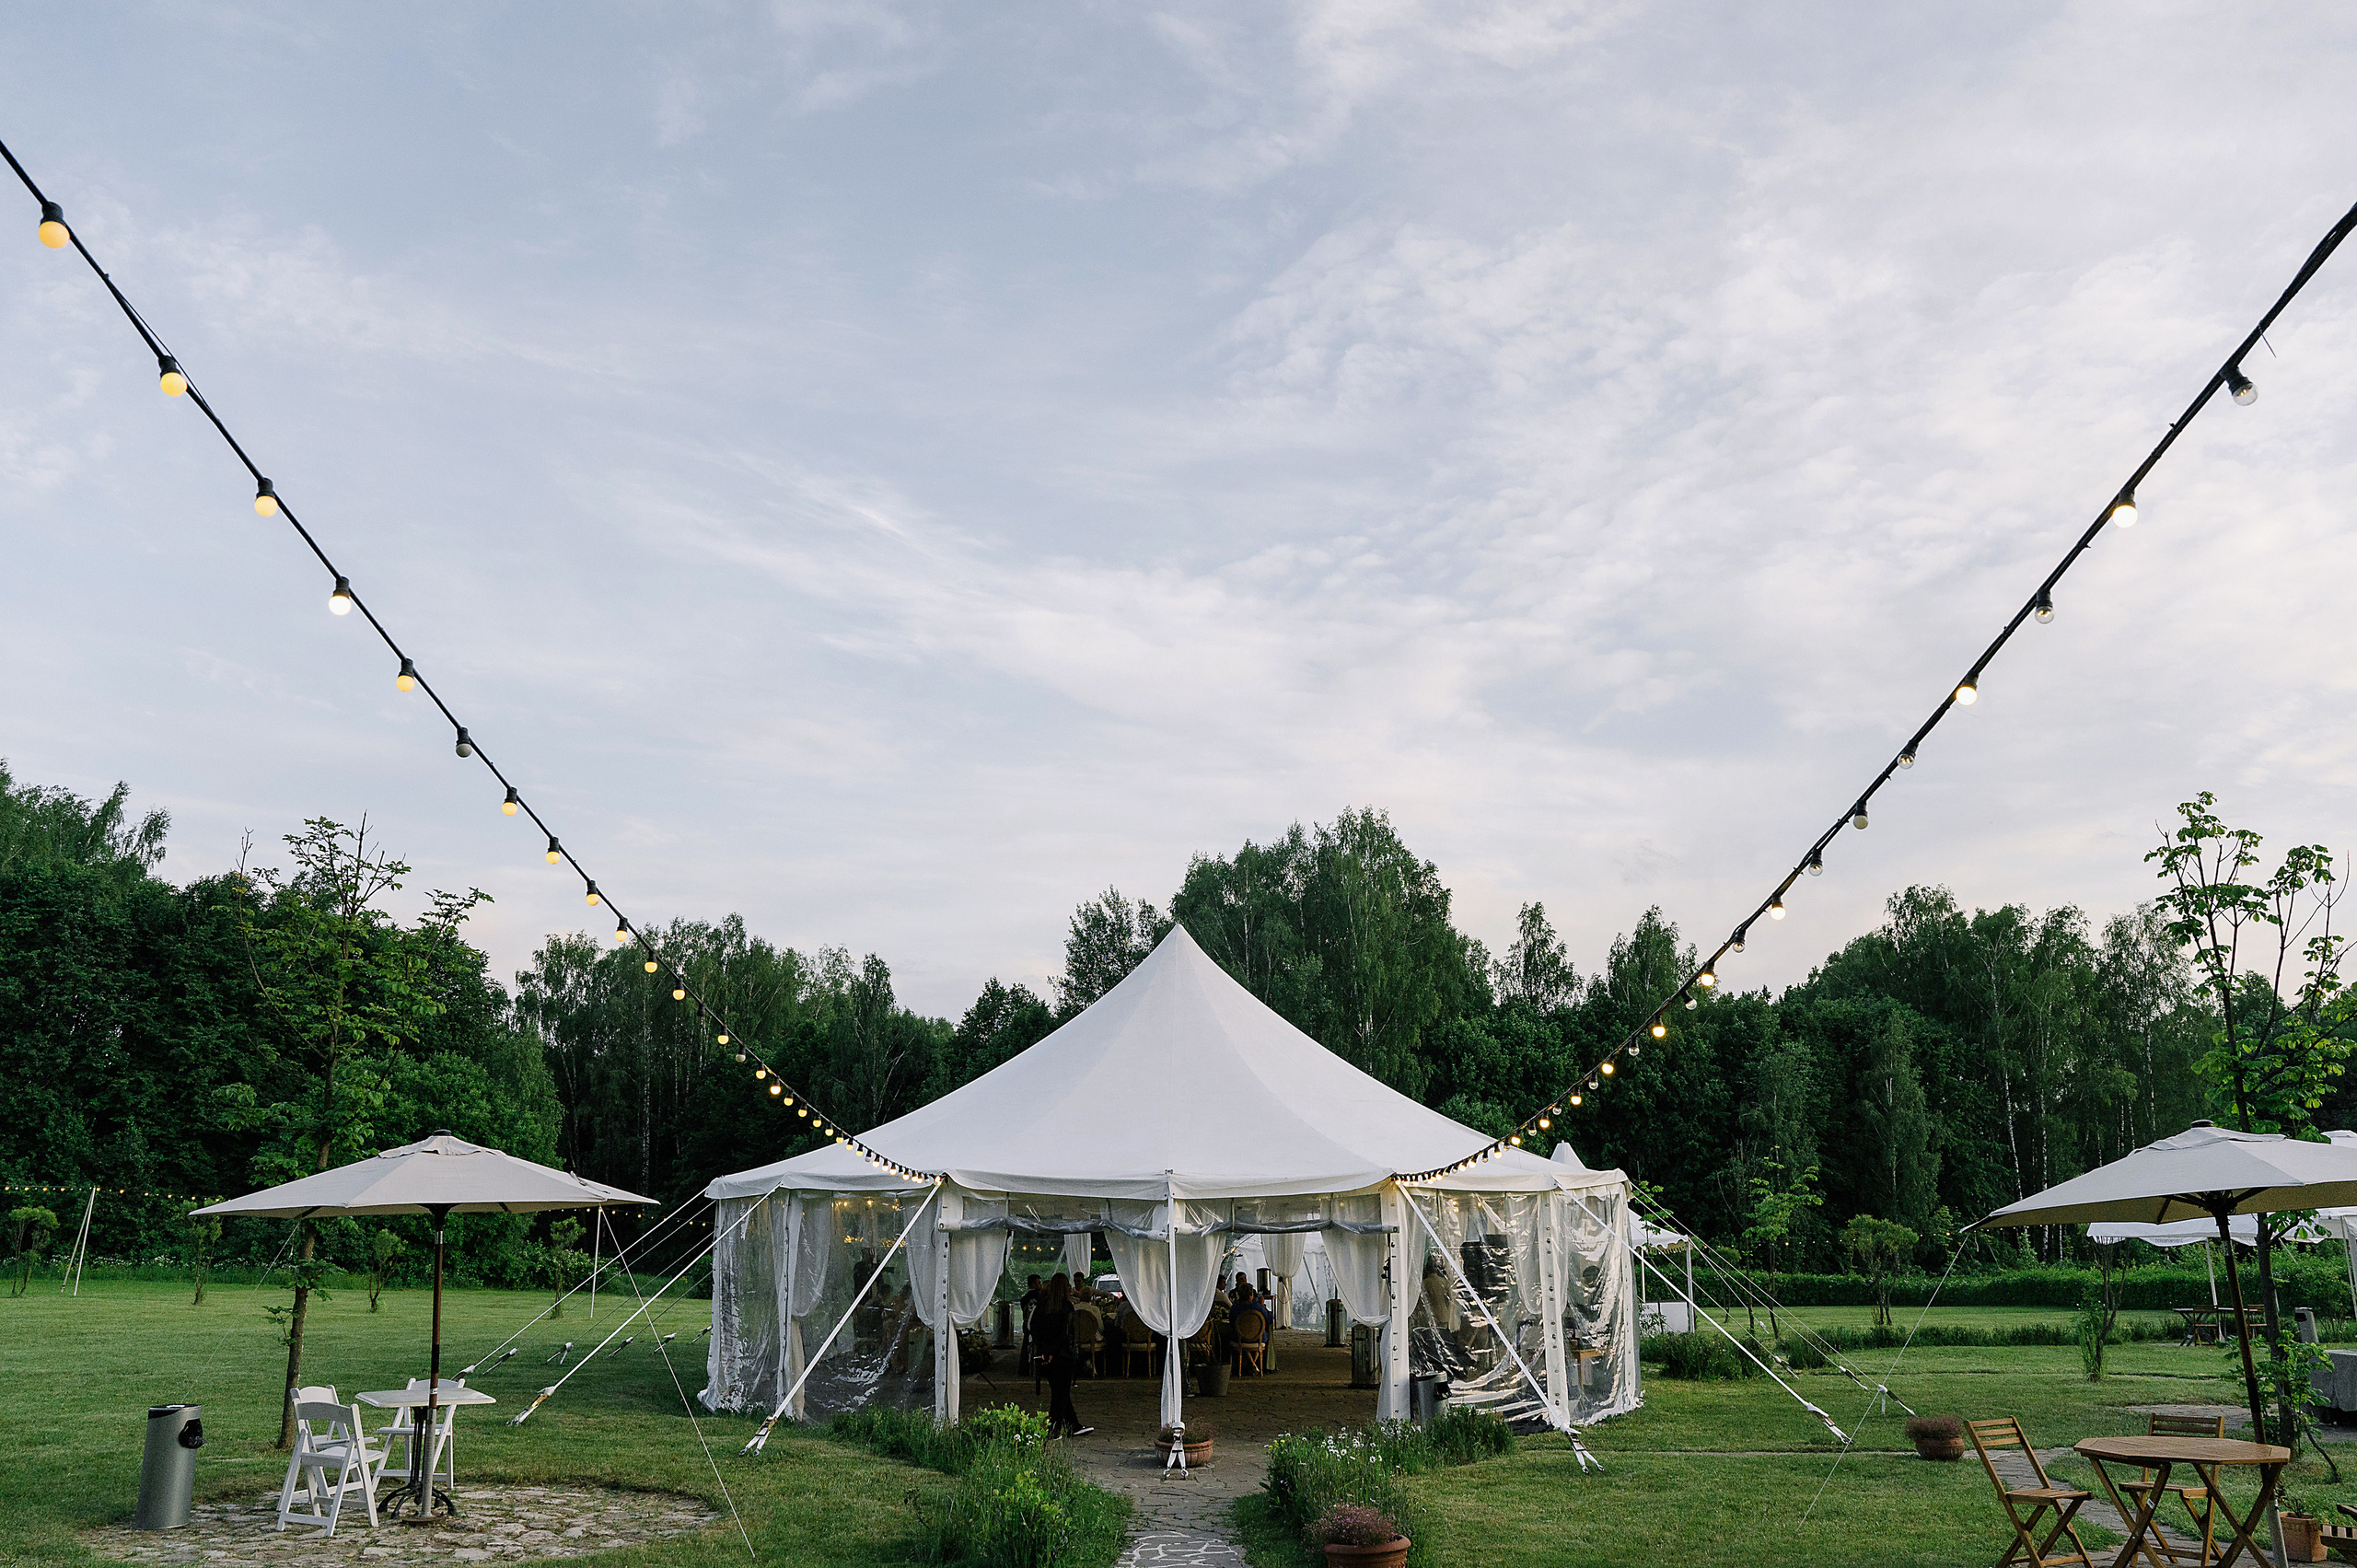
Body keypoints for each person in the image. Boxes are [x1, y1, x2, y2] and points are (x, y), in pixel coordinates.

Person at [1032, 1275, 1094, 1437]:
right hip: (1063, 1354)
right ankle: (1054, 1428)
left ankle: (1074, 1425)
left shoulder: (1042, 1306)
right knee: (1061, 1393)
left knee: (1059, 1390)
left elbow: (1034, 1328)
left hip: (1048, 1353)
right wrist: (1053, 1350)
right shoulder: (1066, 1306)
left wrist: (1044, 1349)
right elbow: (1065, 1334)